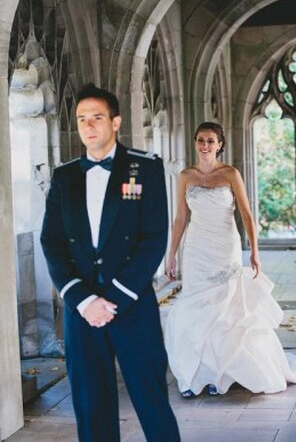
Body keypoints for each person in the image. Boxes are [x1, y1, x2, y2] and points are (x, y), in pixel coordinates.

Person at [40, 83, 180, 442]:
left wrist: (114, 297)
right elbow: (52, 242)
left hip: (131, 305)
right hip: (82, 311)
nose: (88, 126)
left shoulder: (145, 168)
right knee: (91, 405)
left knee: (151, 400)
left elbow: (154, 239)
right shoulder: (64, 176)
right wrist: (85, 301)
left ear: (115, 122)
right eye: (82, 119)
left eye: (97, 118)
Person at [163, 122, 296, 397]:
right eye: (200, 141)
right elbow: (181, 217)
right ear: (195, 143)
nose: (205, 146)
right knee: (196, 309)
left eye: (210, 141)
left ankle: (220, 374)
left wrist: (254, 251)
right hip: (196, 248)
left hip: (224, 245)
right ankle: (196, 375)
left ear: (219, 144)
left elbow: (246, 214)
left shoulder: (230, 173)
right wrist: (171, 253)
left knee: (224, 309)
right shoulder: (186, 176)